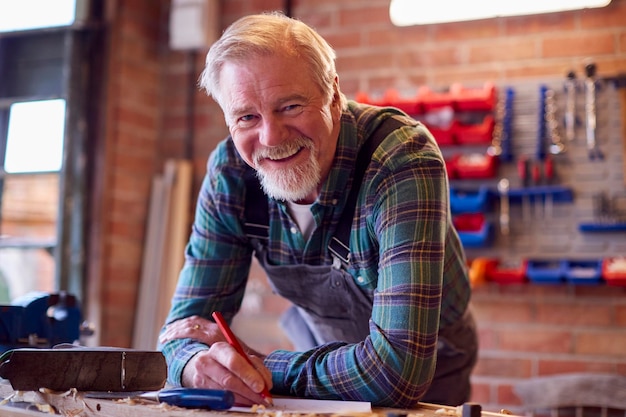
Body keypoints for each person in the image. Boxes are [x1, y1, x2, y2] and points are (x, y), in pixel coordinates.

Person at [158, 11, 477, 409]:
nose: (270, 137)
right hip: (320, 350)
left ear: (333, 93)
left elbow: (398, 371)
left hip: (429, 367)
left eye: (290, 106)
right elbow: (179, 332)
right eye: (247, 117)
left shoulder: (402, 159)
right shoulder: (230, 175)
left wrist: (264, 367)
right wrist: (196, 366)